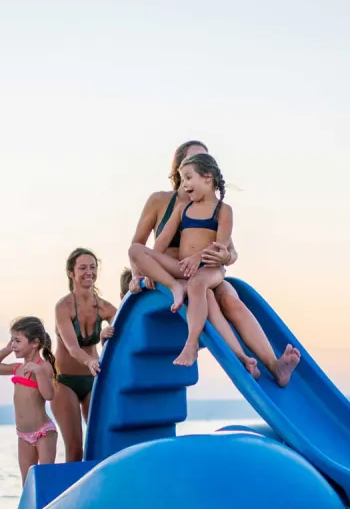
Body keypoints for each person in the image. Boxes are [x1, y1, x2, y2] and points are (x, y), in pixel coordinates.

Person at [126, 141, 300, 384]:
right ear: (179, 167)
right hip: (176, 274)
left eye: (205, 160)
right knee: (204, 295)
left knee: (229, 298)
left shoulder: (217, 209)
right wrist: (139, 275)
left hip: (207, 270)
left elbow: (230, 250)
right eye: (192, 161)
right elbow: (142, 246)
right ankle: (240, 357)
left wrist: (223, 256)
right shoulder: (161, 201)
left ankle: (274, 364)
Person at [51, 249, 117, 461]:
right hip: (64, 382)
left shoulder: (106, 307)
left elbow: (125, 335)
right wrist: (90, 360)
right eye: (82, 268)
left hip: (92, 379)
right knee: (75, 448)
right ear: (71, 273)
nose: (89, 272)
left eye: (92, 267)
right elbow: (72, 347)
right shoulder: (63, 307)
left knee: (102, 442)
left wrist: (106, 337)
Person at [0, 317, 59, 484]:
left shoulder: (44, 367)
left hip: (43, 433)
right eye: (12, 341)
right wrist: (6, 350)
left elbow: (48, 395)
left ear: (34, 343)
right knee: (27, 483)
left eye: (17, 341)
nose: (14, 345)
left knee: (45, 480)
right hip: (23, 435)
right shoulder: (17, 369)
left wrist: (38, 372)